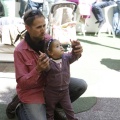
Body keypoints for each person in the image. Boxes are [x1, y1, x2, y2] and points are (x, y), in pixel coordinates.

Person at [6, 9, 87, 120]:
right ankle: (19, 106)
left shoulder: (48, 40)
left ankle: (52, 107)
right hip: (32, 92)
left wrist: (76, 53)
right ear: (27, 28)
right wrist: (37, 70)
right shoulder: (19, 51)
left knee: (80, 85)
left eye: (44, 26)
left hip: (52, 86)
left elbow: (62, 59)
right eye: (39, 27)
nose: (43, 30)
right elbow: (22, 83)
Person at [43, 39, 80, 120]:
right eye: (57, 46)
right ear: (50, 52)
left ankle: (71, 118)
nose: (61, 47)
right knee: (49, 109)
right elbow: (45, 69)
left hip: (64, 91)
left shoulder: (66, 58)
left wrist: (75, 49)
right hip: (51, 92)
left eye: (60, 45)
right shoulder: (49, 62)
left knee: (68, 108)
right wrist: (43, 61)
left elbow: (74, 56)